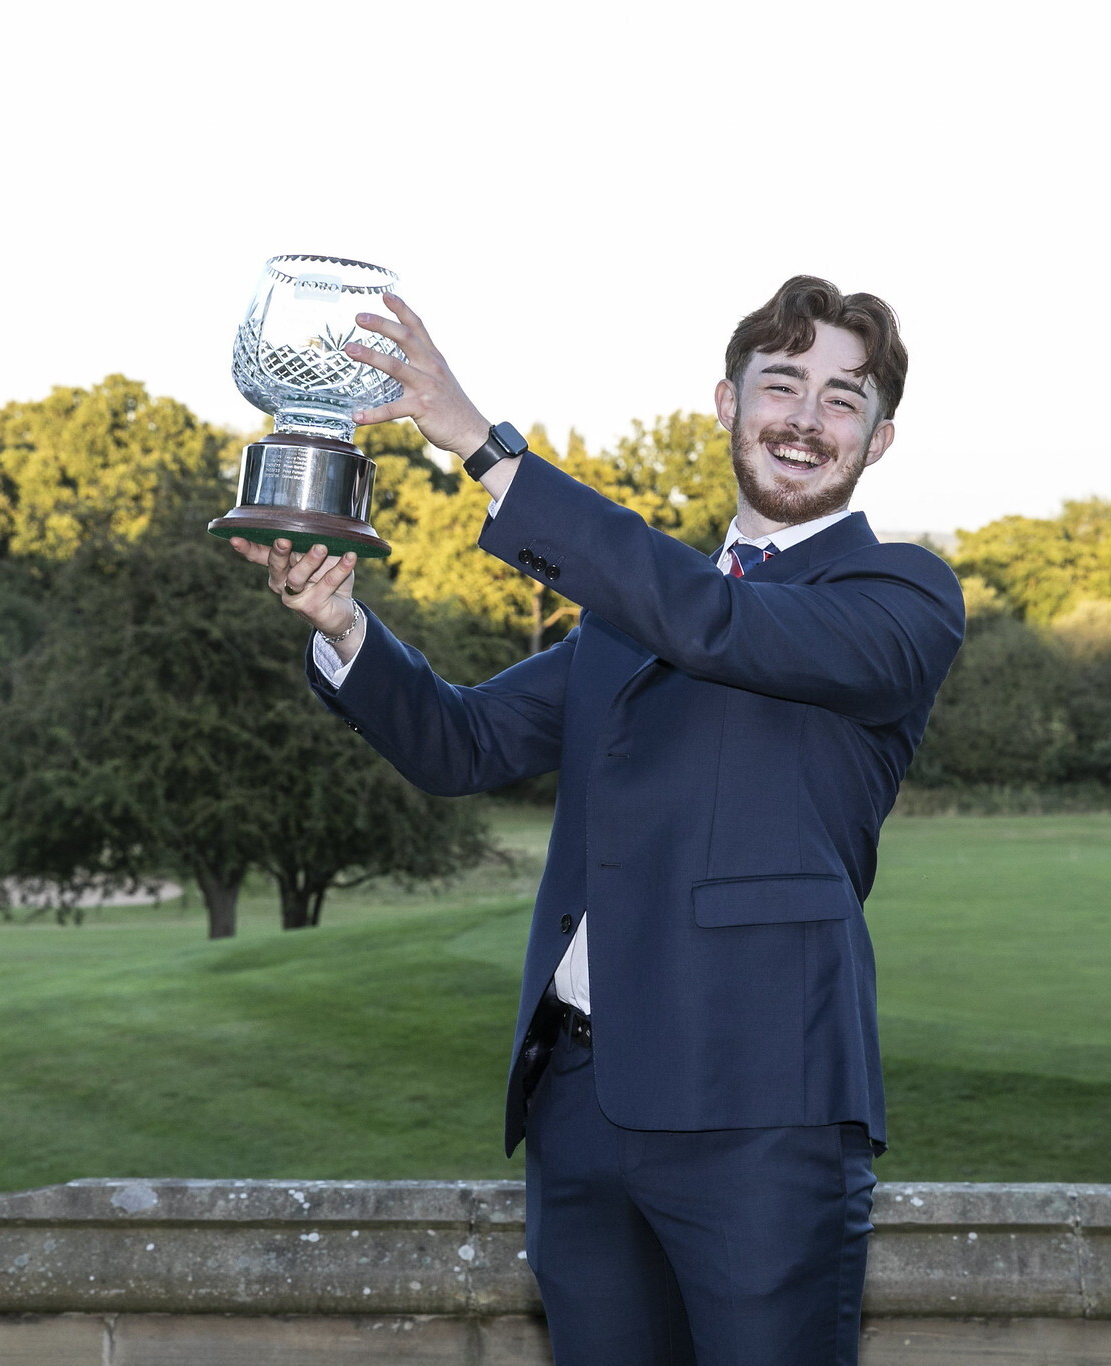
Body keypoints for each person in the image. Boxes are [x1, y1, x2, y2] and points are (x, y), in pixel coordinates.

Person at [232, 275, 965, 1366]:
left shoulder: (899, 597)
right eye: (781, 384)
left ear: (879, 436)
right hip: (579, 1104)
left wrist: (485, 447)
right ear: (725, 403)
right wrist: (342, 627)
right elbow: (462, 742)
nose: (805, 420)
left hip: (759, 1113)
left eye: (841, 397)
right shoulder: (631, 614)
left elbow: (715, 621)